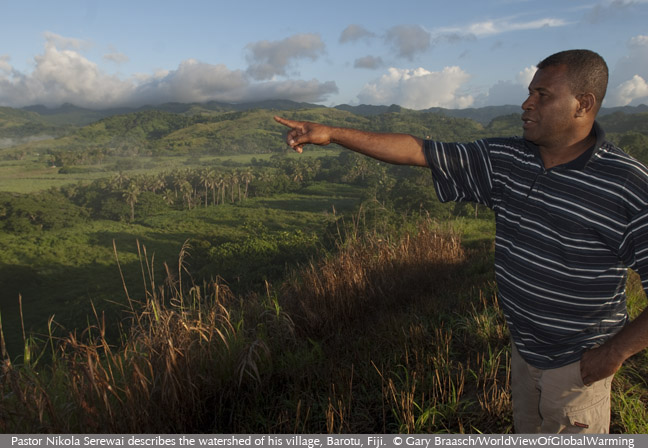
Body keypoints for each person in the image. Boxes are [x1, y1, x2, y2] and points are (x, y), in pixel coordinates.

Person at [274, 49, 648, 434]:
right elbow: (419, 150)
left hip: (578, 368)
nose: (527, 103)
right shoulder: (508, 159)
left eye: (543, 95)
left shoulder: (627, 185)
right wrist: (332, 134)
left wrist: (612, 354)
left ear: (583, 105)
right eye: (529, 92)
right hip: (524, 351)